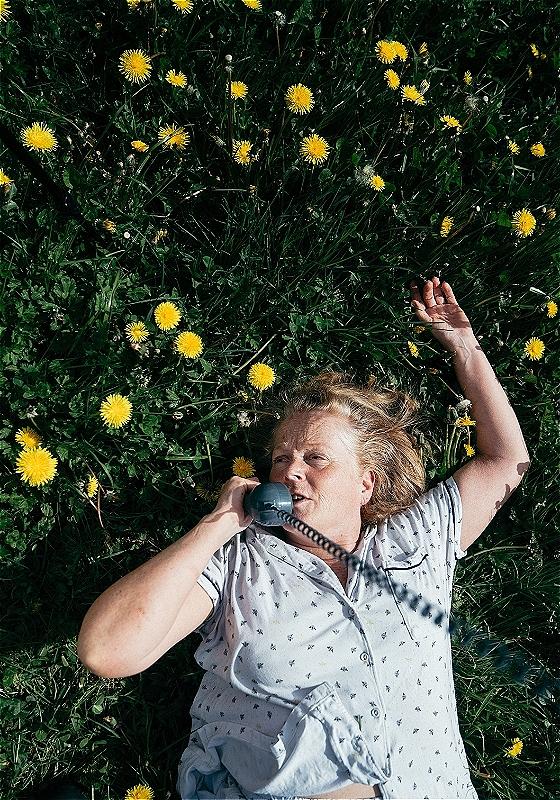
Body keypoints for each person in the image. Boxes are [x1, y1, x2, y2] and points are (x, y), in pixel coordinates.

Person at [77, 277, 530, 799]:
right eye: (281, 458)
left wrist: (465, 347)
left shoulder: (415, 542)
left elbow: (505, 462)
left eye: (315, 458)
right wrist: (218, 523)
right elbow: (106, 651)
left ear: (368, 483)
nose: (290, 471)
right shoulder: (236, 567)